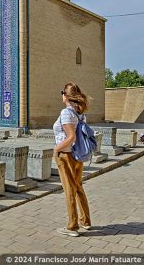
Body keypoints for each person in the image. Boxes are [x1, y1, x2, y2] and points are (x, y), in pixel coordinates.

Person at [53, 82, 92, 237]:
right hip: (77, 155)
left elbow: (71, 137)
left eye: (62, 93)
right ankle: (85, 221)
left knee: (69, 190)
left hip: (66, 155)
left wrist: (56, 150)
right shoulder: (80, 113)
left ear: (66, 96)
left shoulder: (66, 112)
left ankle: (72, 226)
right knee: (78, 187)